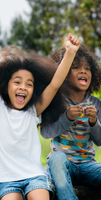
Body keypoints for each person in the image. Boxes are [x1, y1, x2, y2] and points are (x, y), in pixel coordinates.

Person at [0, 14, 80, 200]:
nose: (23, 87)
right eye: (17, 82)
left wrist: (70, 53)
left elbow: (55, 84)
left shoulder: (34, 110)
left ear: (34, 90)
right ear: (5, 85)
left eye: (29, 84)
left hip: (34, 176)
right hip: (6, 180)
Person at [40, 44, 101, 200]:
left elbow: (99, 141)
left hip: (88, 165)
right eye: (76, 67)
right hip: (62, 163)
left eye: (88, 69)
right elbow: (46, 133)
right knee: (57, 158)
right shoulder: (56, 101)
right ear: (64, 73)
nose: (83, 71)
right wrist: (66, 117)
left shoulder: (96, 103)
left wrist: (94, 122)